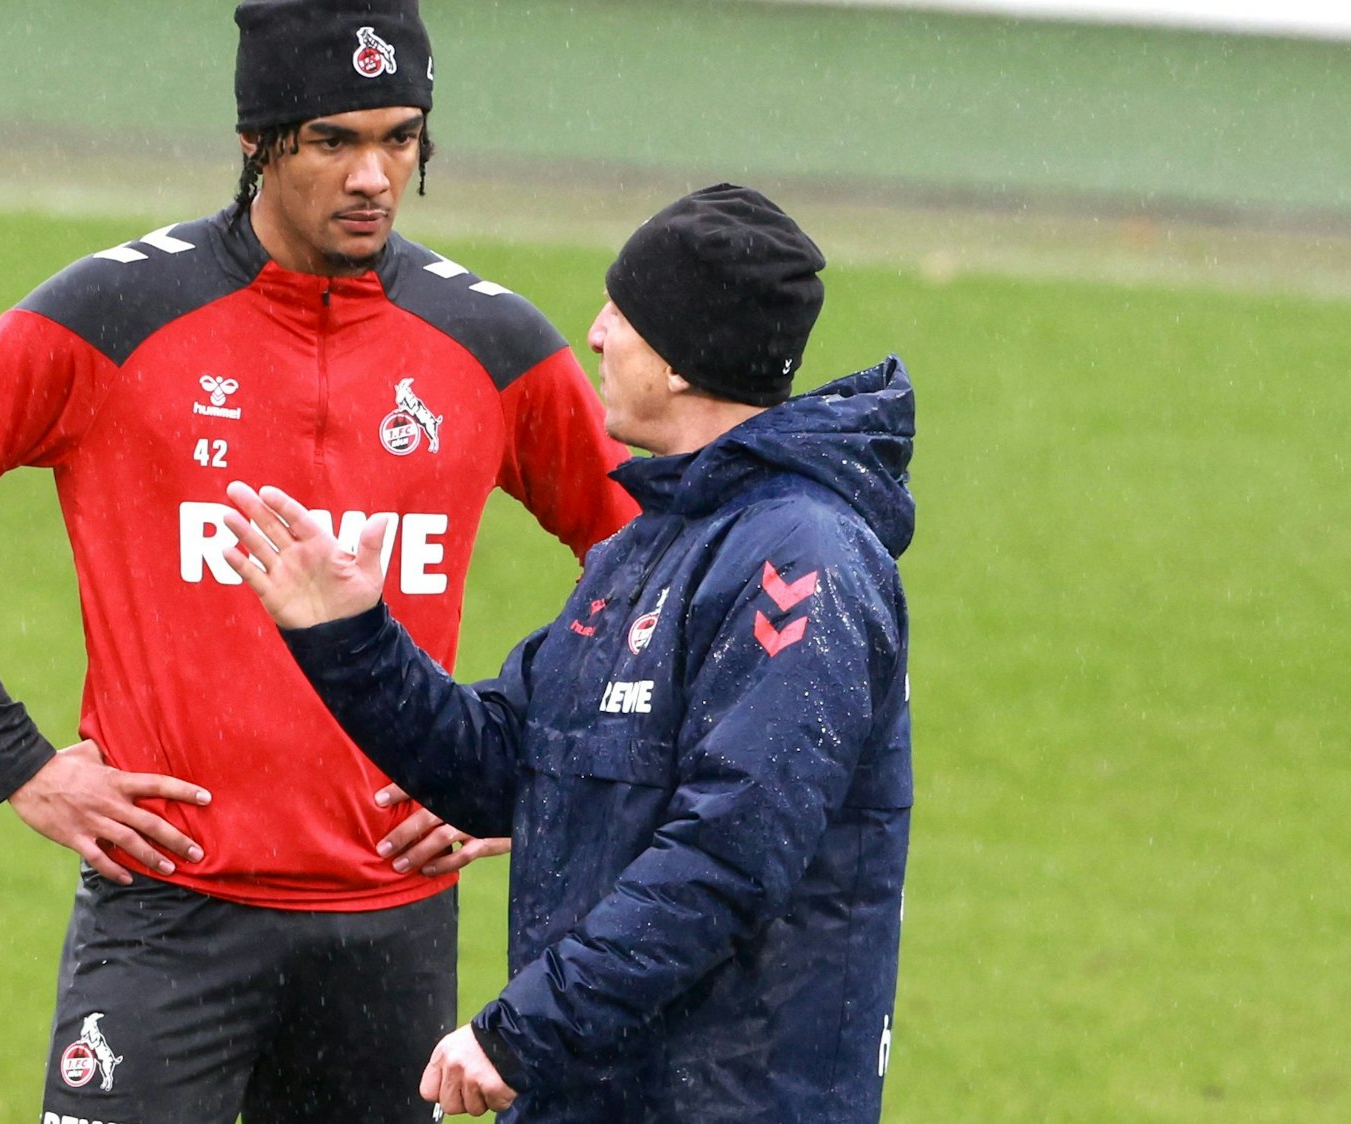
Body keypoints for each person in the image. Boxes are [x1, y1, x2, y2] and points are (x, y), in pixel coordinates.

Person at [0, 0, 637, 1120]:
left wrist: (521, 772)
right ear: (257, 143)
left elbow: (656, 570)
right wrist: (15, 759)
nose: (373, 176)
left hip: (388, 933)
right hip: (165, 922)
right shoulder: (116, 313)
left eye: (400, 137)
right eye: (334, 139)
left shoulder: (491, 346)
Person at [222, 184, 915, 1122]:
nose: (593, 334)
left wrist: (524, 1032)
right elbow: (502, 768)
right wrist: (346, 635)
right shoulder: (644, 547)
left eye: (621, 315)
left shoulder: (805, 564)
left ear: (680, 361)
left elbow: (728, 855)